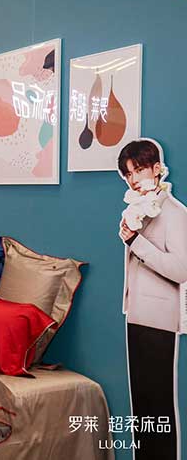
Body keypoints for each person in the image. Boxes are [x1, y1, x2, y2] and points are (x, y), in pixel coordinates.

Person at [117, 139, 187, 459]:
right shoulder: (140, 209)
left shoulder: (174, 213)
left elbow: (181, 269)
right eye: (128, 173)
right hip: (137, 314)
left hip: (159, 319)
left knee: (158, 405)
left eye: (140, 170)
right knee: (142, 406)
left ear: (157, 169)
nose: (133, 179)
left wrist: (136, 242)